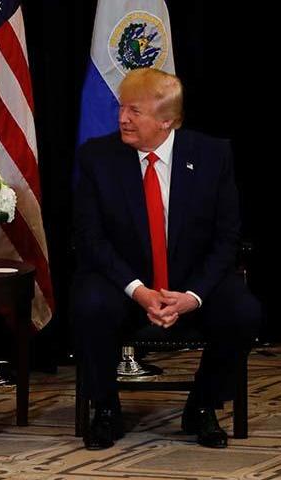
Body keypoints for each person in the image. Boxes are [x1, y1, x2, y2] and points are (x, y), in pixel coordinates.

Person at [72, 68, 261, 450]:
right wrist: (138, 290)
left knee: (244, 312)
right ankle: (106, 408)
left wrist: (193, 295)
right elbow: (90, 238)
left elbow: (227, 238)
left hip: (192, 281)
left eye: (134, 111)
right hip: (123, 282)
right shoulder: (98, 157)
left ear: (166, 121)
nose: (123, 118)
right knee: (89, 302)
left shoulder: (212, 155)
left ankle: (203, 405)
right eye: (121, 107)